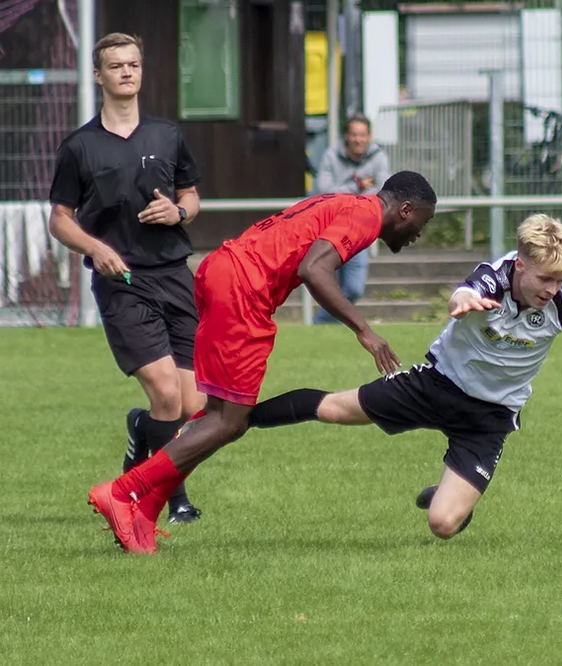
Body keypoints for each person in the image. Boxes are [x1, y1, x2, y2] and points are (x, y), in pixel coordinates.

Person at [87, 171, 438, 553]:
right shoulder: (366, 216)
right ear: (405, 210)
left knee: (221, 418)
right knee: (228, 420)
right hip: (244, 288)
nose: (420, 230)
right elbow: (313, 269)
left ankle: (146, 510)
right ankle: (122, 493)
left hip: (224, 272)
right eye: (424, 220)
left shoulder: (349, 203)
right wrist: (364, 330)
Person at [48, 32, 205, 523]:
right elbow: (59, 218)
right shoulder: (80, 146)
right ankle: (166, 496)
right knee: (165, 392)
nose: (126, 72)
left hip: (175, 276)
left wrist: (177, 212)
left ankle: (141, 442)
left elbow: (192, 198)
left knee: (193, 403)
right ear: (99, 76)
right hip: (123, 281)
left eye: (133, 64)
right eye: (115, 66)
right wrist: (96, 249)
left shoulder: (167, 135)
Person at [313, 113, 391, 323]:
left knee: (354, 289)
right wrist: (356, 187)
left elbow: (385, 191)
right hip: (329, 230)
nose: (358, 139)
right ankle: (327, 327)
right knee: (328, 286)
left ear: (369, 136)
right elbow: (324, 192)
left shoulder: (378, 156)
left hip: (358, 230)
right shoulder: (331, 155)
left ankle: (321, 323)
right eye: (354, 135)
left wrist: (348, 197)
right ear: (346, 136)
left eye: (363, 135)